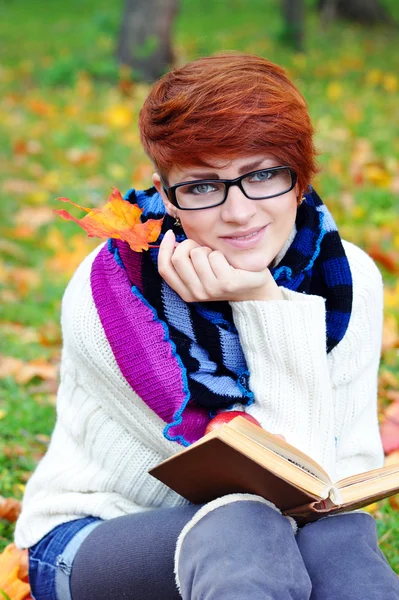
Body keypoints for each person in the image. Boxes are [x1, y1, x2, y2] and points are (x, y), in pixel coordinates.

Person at [15, 53, 399, 600]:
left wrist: (262, 296)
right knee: (242, 525)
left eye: (262, 174)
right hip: (96, 536)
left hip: (278, 538)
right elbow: (262, 484)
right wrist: (266, 306)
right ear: (167, 192)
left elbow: (330, 484)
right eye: (201, 186)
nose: (238, 213)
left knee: (342, 541)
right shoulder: (115, 293)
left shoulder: (349, 278)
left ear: (300, 177)